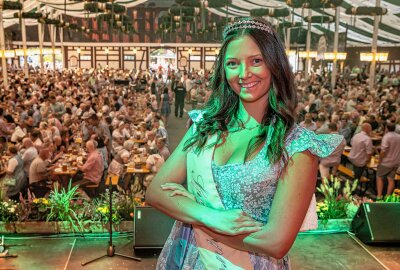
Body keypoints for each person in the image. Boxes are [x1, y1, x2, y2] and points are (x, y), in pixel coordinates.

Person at [146, 18, 344, 269]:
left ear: (275, 64)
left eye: (256, 61)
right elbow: (156, 191)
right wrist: (212, 217)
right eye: (232, 64)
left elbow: (275, 242)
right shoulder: (206, 125)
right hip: (190, 258)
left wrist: (191, 212)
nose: (243, 74)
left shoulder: (296, 145)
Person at [376, 123, 400, 200]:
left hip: (386, 162)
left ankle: (379, 196)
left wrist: (379, 161)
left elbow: (383, 151)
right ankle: (388, 196)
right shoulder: (399, 136)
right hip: (396, 161)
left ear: (387, 128)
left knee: (379, 177)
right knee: (391, 179)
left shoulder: (387, 137)